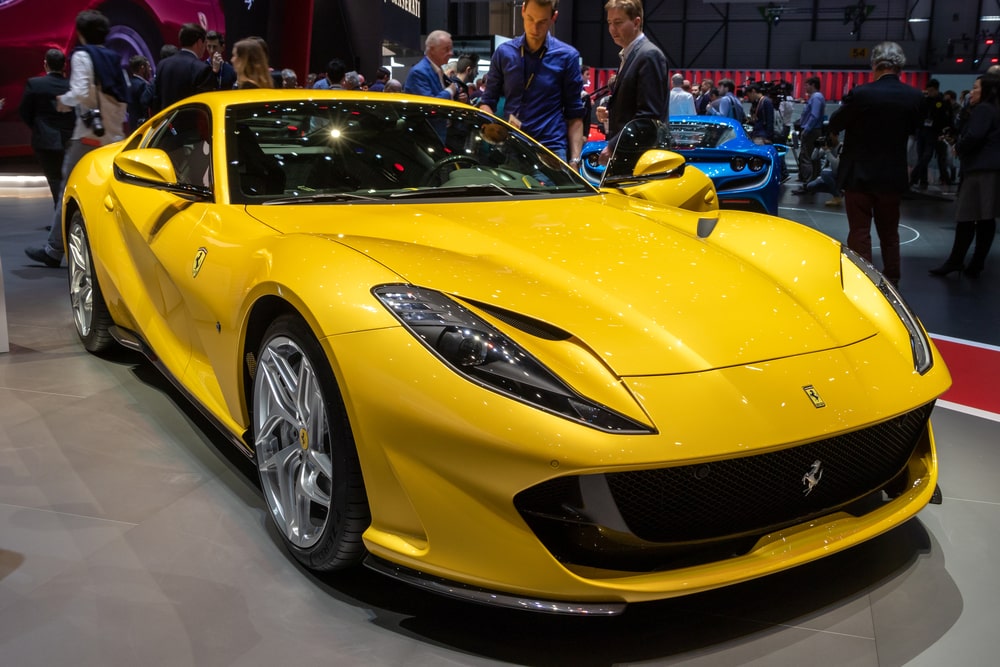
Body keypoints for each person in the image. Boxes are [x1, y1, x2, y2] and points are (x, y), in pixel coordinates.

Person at [24, 9, 127, 268]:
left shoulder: (83, 55)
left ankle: (54, 249)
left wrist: (64, 101)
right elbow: (125, 98)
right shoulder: (114, 58)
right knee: (111, 193)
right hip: (114, 135)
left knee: (68, 189)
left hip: (88, 137)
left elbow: (80, 91)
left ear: (80, 33)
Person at [827, 41, 922, 286]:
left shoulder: (862, 94)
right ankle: (893, 279)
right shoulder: (914, 97)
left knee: (859, 231)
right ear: (900, 67)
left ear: (875, 65)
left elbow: (836, 122)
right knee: (890, 232)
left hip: (859, 173)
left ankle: (866, 280)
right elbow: (915, 129)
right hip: (892, 175)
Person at [479, 0, 585, 163]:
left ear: (553, 17)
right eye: (530, 18)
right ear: (522, 11)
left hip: (550, 152)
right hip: (513, 148)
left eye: (542, 22)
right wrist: (491, 124)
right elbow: (487, 101)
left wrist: (575, 160)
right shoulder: (504, 53)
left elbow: (575, 115)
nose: (534, 28)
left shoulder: (567, 56)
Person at [929, 73, 1000, 279]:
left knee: (967, 217)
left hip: (979, 169)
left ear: (987, 90)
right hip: (990, 169)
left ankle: (956, 260)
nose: (972, 92)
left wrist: (958, 147)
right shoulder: (994, 109)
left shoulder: (984, 110)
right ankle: (975, 263)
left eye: (976, 87)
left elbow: (975, 135)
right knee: (986, 218)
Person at [594, 0, 667, 164]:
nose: (612, 29)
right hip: (630, 155)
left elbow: (648, 117)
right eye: (610, 23)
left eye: (618, 22)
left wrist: (613, 146)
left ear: (636, 22)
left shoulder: (648, 56)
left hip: (640, 159)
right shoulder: (630, 55)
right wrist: (610, 114)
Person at [18, 48, 75, 205]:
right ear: (64, 65)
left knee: (54, 180)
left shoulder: (35, 84)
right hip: (70, 139)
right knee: (71, 180)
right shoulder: (71, 86)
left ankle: (59, 220)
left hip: (45, 140)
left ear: (45, 64)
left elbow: (24, 111)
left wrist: (38, 126)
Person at [152, 22, 217, 111]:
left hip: (166, 121)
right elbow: (204, 106)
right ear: (199, 42)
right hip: (189, 123)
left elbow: (156, 99)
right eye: (205, 43)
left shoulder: (162, 64)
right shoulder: (202, 69)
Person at [404, 30, 467, 102]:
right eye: (446, 49)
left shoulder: (438, 70)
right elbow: (429, 104)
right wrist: (450, 91)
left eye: (451, 49)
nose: (451, 53)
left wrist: (457, 98)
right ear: (432, 50)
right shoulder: (419, 72)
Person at [792, 129, 842, 206]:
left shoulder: (841, 147)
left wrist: (828, 151)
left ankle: (837, 196)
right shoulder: (828, 146)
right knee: (811, 186)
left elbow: (836, 166)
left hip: (838, 176)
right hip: (828, 176)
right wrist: (817, 147)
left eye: (831, 138)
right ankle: (838, 191)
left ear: (836, 136)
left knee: (825, 173)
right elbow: (813, 158)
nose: (830, 140)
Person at [797, 76, 825, 182]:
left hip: (812, 131)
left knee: (807, 157)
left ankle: (808, 182)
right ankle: (813, 181)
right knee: (813, 158)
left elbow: (814, 116)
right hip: (814, 130)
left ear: (813, 85)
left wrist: (806, 130)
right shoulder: (816, 97)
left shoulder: (816, 97)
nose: (805, 87)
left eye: (806, 85)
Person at [126, 55, 153, 132]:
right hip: (143, 125)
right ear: (142, 68)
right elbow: (145, 106)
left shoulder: (129, 83)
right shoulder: (142, 85)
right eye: (148, 66)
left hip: (132, 124)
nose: (150, 69)